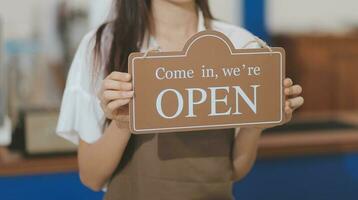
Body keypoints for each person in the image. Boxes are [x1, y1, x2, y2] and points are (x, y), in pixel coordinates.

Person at [56, 0, 304, 199]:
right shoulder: (102, 45)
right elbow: (91, 177)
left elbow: (231, 172)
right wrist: (123, 124)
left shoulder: (241, 45)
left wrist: (257, 121)